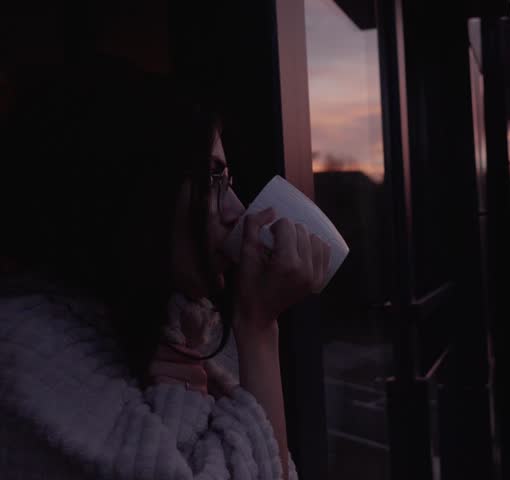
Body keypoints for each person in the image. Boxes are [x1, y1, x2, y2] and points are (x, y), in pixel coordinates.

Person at [0, 58, 329, 480]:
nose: (238, 211)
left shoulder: (179, 330)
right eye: (212, 180)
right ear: (127, 193)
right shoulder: (27, 352)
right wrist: (259, 330)